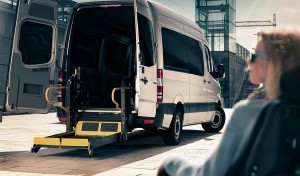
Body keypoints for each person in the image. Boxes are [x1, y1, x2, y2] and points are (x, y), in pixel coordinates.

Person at [157, 28, 300, 176]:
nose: (249, 60)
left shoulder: (249, 111)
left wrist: (172, 164)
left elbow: (211, 173)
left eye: (255, 55)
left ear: (274, 63)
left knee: (170, 165)